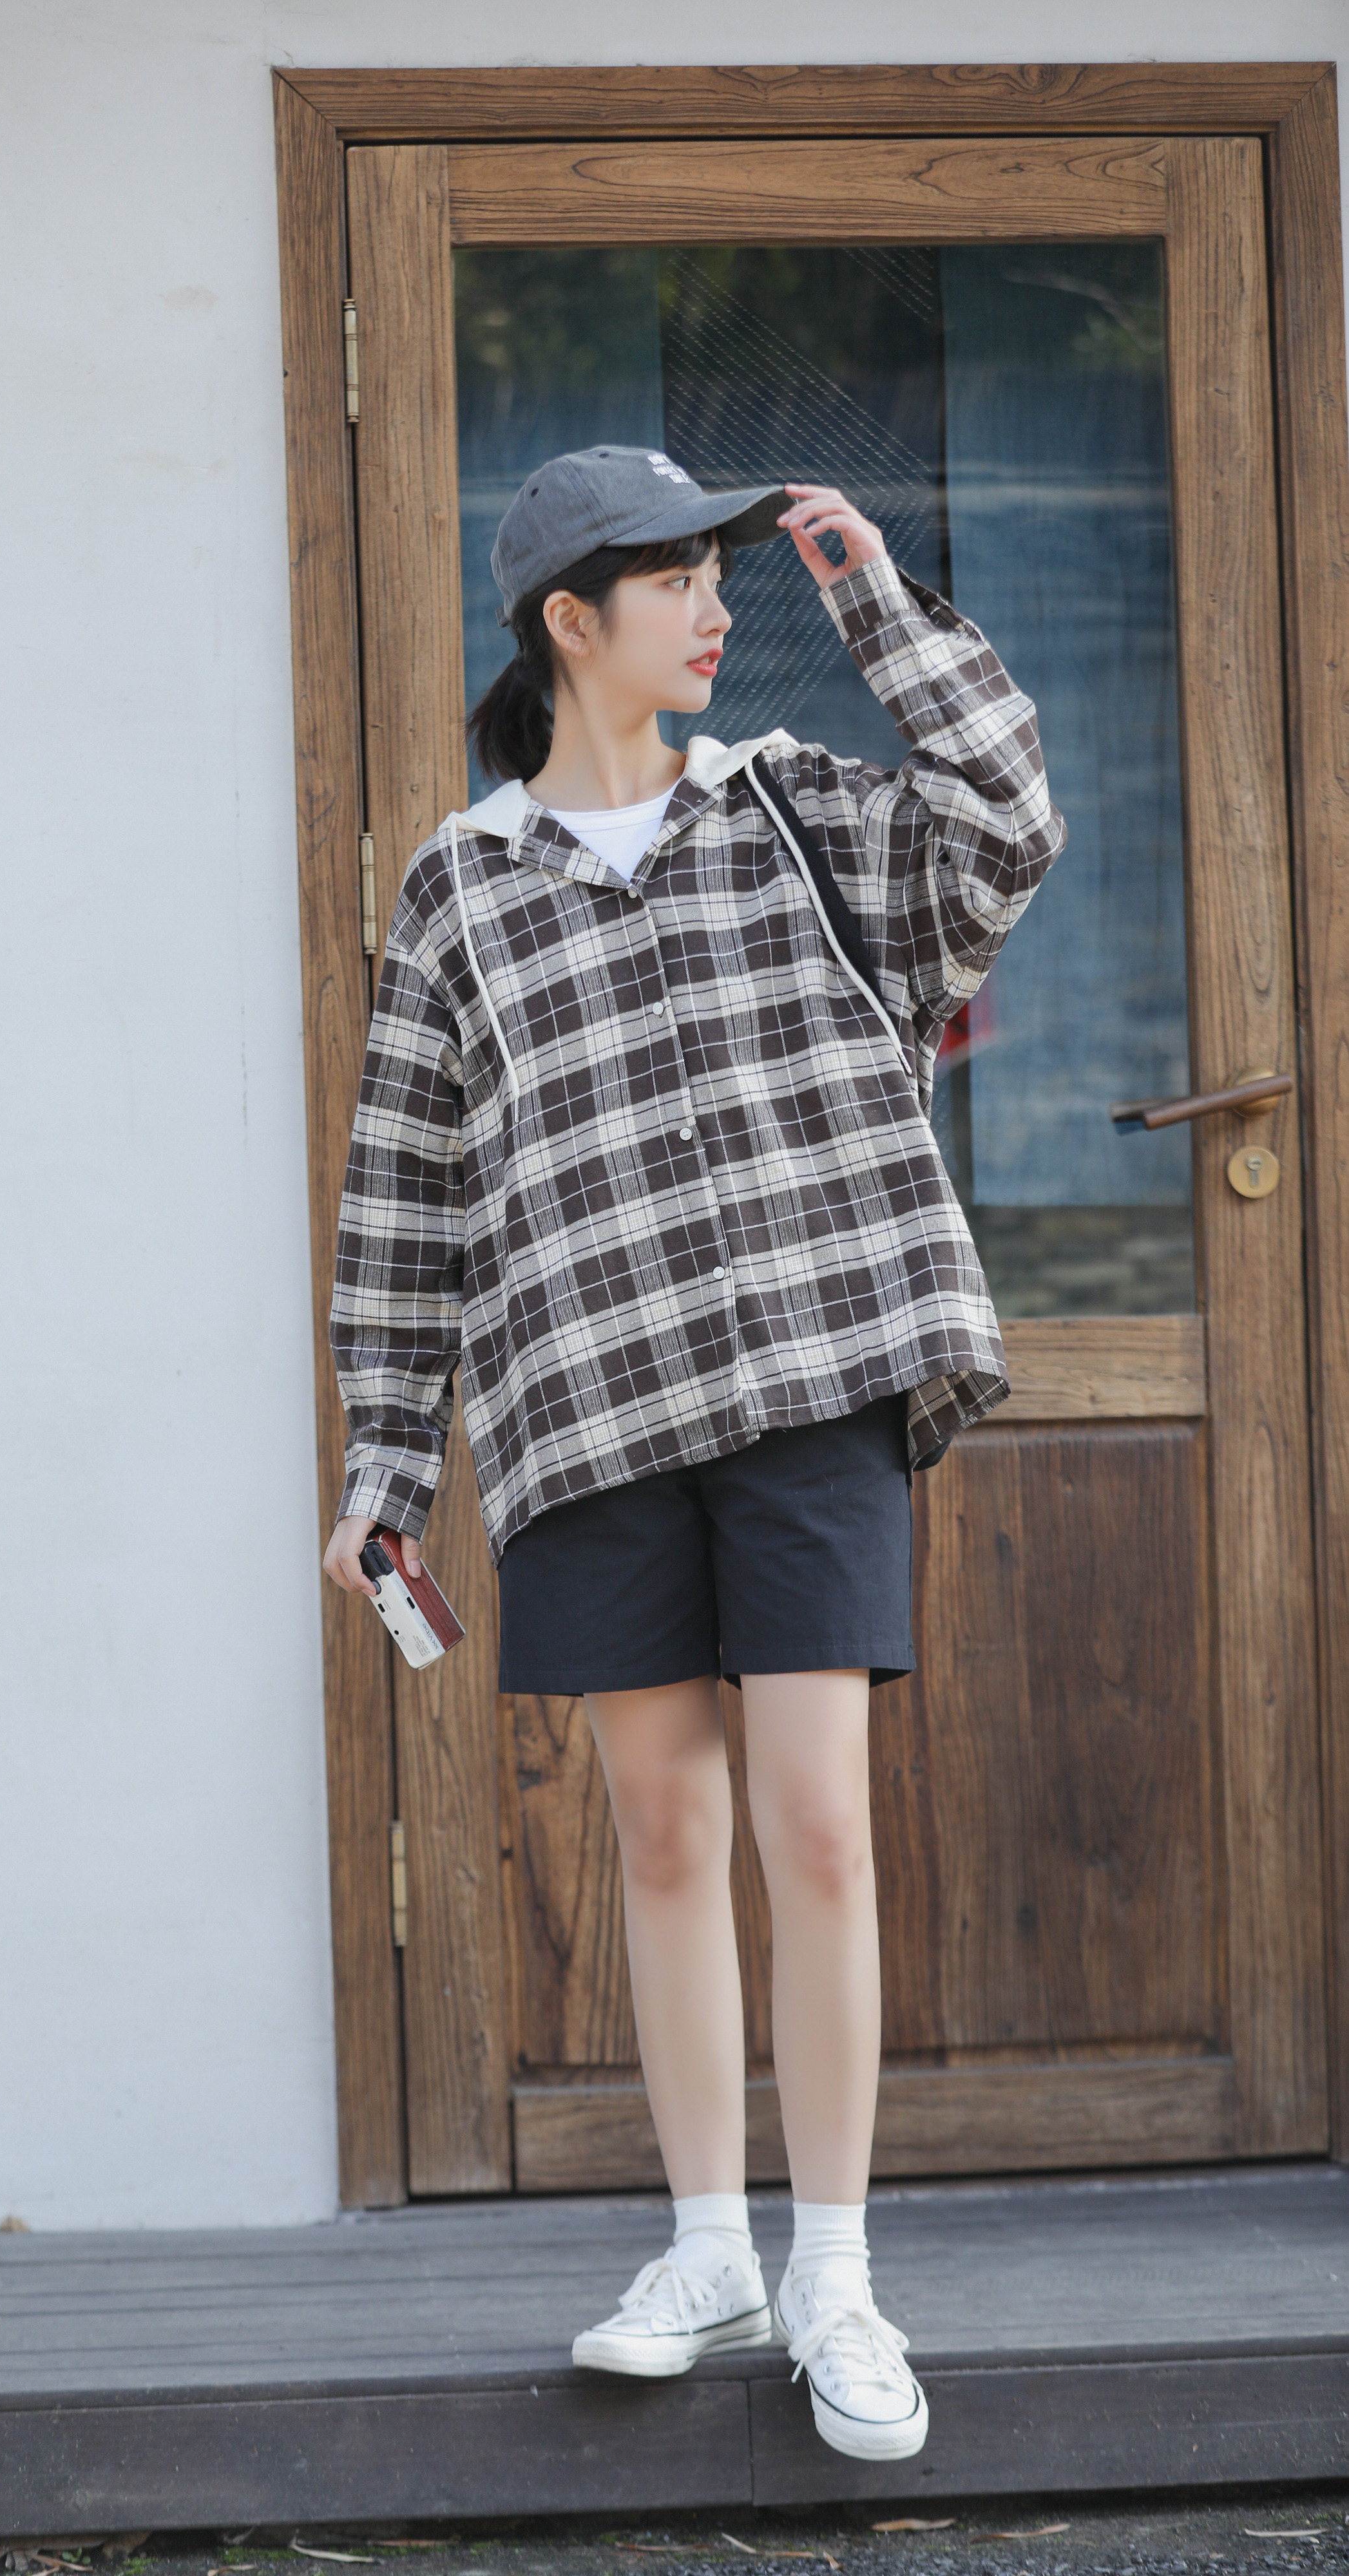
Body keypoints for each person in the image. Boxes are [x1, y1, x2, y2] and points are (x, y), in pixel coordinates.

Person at [322, 444, 1065, 2463]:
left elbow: (1007, 820)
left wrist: (870, 598)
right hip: (589, 1411)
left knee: (814, 1824)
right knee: (660, 1832)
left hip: (815, 1379)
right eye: (673, 578)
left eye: (715, 573)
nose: (712, 606)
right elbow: (407, 1196)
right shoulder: (461, 888)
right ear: (568, 622)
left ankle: (836, 2272)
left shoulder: (799, 810)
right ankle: (710, 2246)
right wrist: (384, 1465)